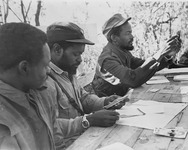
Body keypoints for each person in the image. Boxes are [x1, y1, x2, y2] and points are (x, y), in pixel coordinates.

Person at [46, 22, 128, 146]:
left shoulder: (67, 72)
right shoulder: (45, 81)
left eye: (81, 54)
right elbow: (48, 127)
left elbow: (83, 98)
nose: (80, 59)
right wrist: (88, 120)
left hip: (83, 138)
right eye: (75, 54)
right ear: (57, 49)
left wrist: (105, 102)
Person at [0, 22, 65, 150]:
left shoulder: (44, 91)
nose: (49, 71)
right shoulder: (3, 119)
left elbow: (57, 140)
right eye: (45, 65)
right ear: (24, 68)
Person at [92, 13, 181, 97]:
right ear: (114, 38)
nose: (132, 36)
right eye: (128, 33)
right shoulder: (107, 60)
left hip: (122, 101)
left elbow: (142, 66)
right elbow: (132, 80)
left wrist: (167, 55)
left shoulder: (123, 52)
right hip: (109, 109)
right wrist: (160, 53)